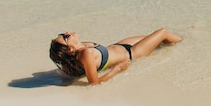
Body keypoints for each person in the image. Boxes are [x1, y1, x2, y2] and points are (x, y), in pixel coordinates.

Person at [49, 27, 182, 85]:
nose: (67, 33)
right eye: (65, 37)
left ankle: (183, 35)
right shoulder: (85, 53)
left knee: (157, 37)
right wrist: (117, 69)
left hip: (122, 45)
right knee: (163, 33)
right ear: (71, 49)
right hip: (132, 53)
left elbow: (67, 63)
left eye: (62, 34)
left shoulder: (80, 48)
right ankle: (188, 41)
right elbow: (94, 83)